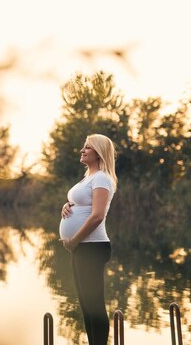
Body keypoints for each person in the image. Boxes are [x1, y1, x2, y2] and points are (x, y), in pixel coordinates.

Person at [59, 134, 117, 345]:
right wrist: (66, 206)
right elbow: (83, 205)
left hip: (92, 247)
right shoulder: (89, 177)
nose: (82, 151)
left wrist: (73, 240)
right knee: (85, 304)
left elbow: (97, 215)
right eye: (83, 147)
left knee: (94, 304)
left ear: (99, 152)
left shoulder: (101, 177)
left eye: (87, 148)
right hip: (82, 248)